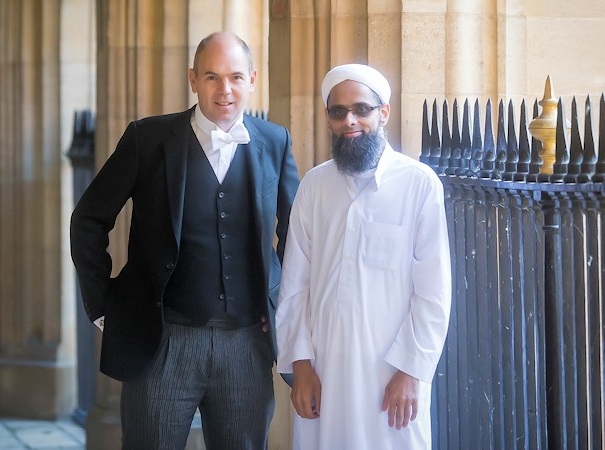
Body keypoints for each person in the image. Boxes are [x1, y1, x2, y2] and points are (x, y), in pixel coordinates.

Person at [70, 31, 299, 449]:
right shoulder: (148, 139)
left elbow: (299, 236)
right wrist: (103, 305)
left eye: (234, 77)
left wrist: (278, 300)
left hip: (246, 344)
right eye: (212, 77)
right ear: (193, 80)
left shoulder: (275, 142)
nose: (224, 90)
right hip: (162, 343)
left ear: (252, 79)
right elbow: (88, 219)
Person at [275, 64, 451, 450]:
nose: (350, 120)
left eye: (361, 109)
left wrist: (411, 371)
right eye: (338, 112)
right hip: (323, 375)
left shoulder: (419, 185)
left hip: (390, 380)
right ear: (327, 118)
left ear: (383, 112)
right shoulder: (313, 186)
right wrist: (300, 366)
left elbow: (433, 293)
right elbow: (293, 286)